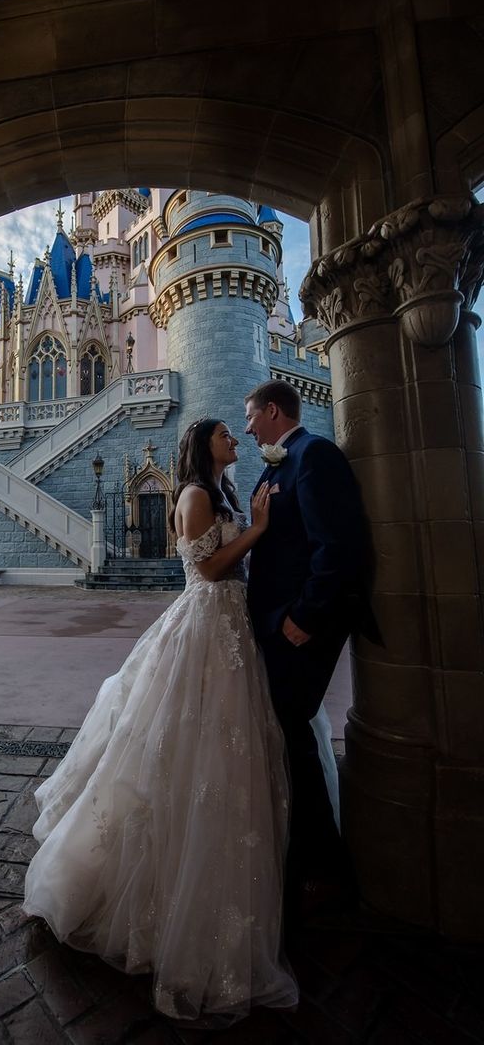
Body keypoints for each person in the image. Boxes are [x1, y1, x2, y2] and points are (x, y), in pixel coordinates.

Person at [23, 418, 299, 1022]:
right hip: (205, 625)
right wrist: (256, 530)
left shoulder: (222, 490)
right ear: (204, 446)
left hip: (227, 630)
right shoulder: (196, 495)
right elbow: (206, 570)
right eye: (227, 435)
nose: (236, 440)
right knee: (183, 746)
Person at [244, 380, 377, 915]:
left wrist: (305, 616)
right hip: (279, 622)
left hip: (300, 624)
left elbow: (338, 545)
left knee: (293, 732)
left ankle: (326, 869)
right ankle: (305, 848)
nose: (248, 426)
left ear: (274, 410)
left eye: (251, 416)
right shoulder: (282, 460)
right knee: (288, 732)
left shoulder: (314, 453)